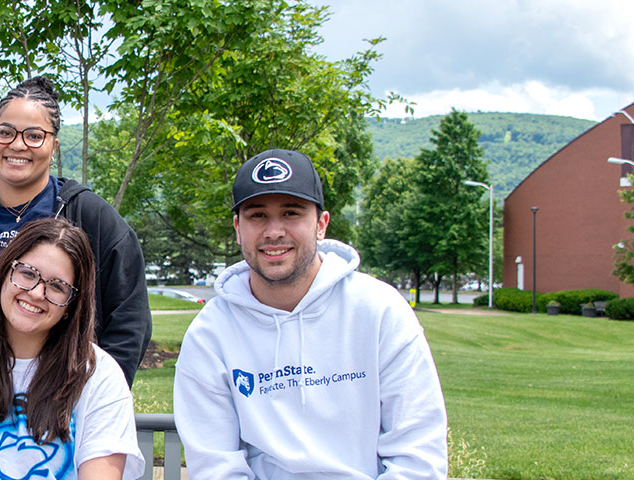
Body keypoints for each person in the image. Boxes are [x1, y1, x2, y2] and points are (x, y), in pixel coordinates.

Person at [174, 149, 448, 478]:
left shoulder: (379, 311)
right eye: (257, 215)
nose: (274, 231)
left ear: (321, 224)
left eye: (291, 213)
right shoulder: (210, 334)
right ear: (237, 227)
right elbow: (216, 468)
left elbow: (418, 458)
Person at [0, 76, 151, 386]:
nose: (17, 144)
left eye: (34, 136)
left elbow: (129, 319)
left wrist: (91, 397)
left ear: (54, 146)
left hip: (65, 406)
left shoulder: (90, 218)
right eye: (6, 132)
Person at [0, 218, 142, 480]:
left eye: (57, 286)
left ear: (71, 305)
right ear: (3, 273)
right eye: (27, 273)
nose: (36, 292)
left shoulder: (100, 375)